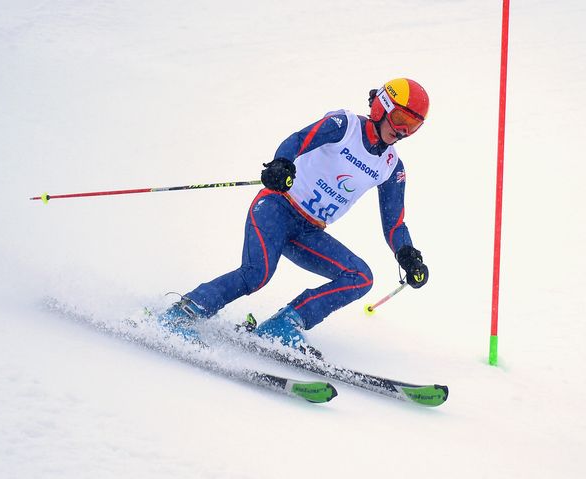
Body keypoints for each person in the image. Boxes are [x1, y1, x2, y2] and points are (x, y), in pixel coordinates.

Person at [158, 77, 430, 350]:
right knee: (256, 274)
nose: (403, 131)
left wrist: (407, 254)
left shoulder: (391, 167)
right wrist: (281, 164)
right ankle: (184, 312)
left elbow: (394, 223)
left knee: (360, 277)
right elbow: (299, 140)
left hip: (308, 231)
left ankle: (285, 324)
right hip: (276, 207)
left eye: (413, 126)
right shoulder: (344, 126)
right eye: (399, 118)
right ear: (381, 108)